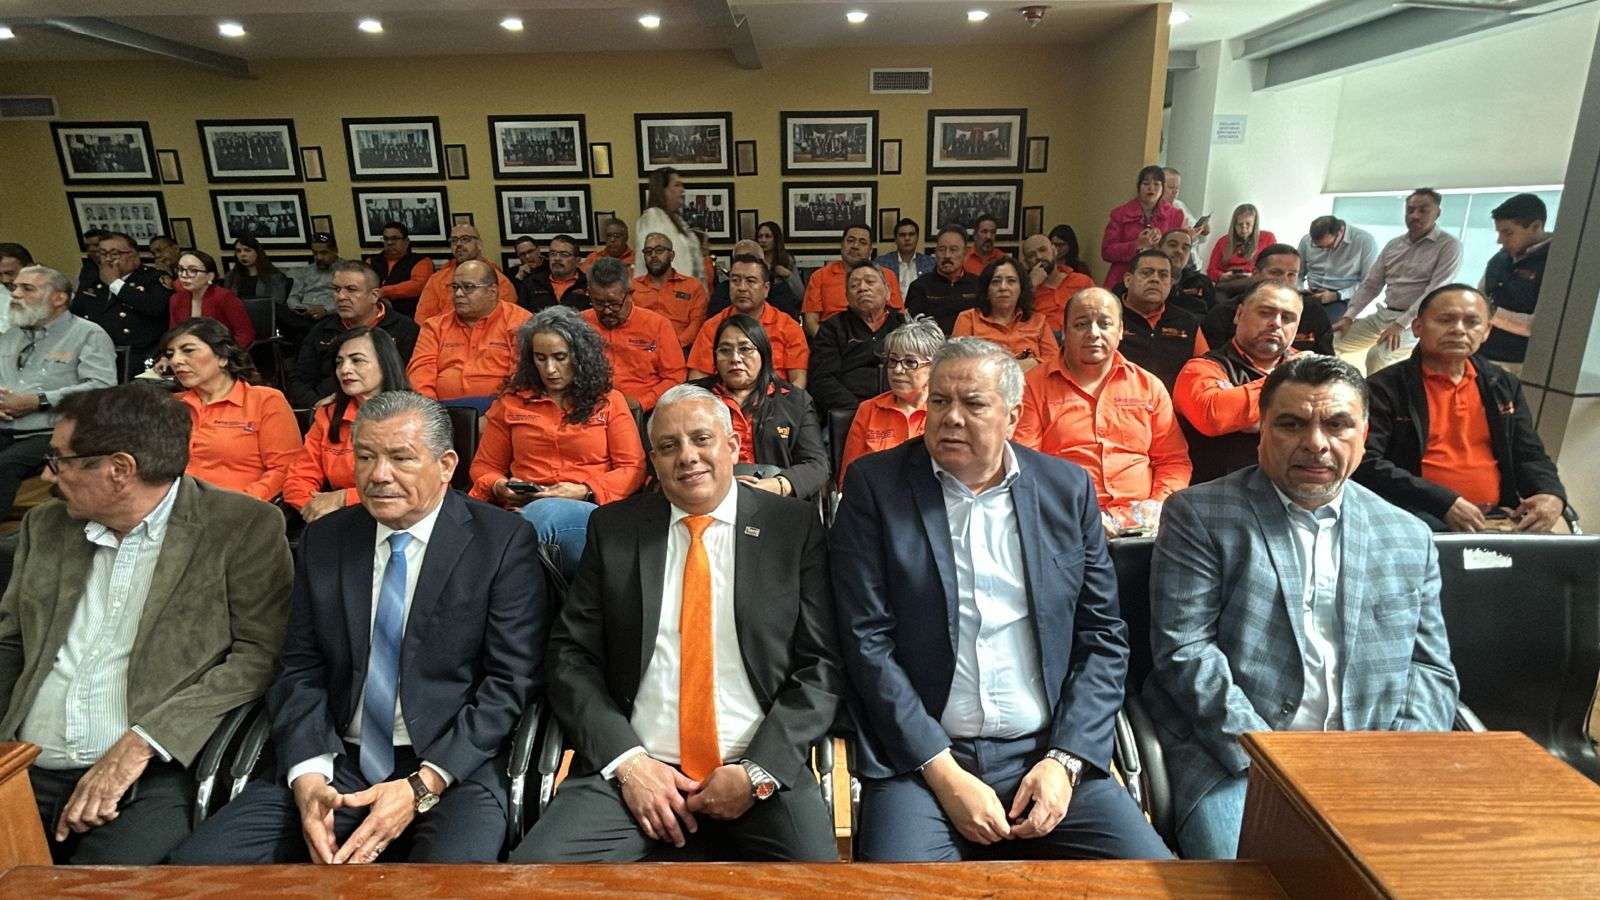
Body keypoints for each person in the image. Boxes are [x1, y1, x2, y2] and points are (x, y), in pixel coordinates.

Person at [831, 337, 1170, 863]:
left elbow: (1103, 638)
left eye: (973, 403)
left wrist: (1065, 760)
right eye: (939, 401)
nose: (951, 418)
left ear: (1012, 416)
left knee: (1158, 884)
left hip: (1047, 753)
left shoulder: (1066, 490)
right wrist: (942, 772)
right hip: (921, 761)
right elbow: (865, 643)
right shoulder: (876, 487)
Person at [170, 391, 545, 865]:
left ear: (446, 465)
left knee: (449, 886)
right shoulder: (327, 539)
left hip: (454, 764)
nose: (378, 474)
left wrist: (423, 784)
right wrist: (308, 774)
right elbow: (300, 668)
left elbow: (510, 682)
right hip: (337, 760)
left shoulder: (501, 542)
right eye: (365, 457)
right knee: (197, 871)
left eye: (401, 458)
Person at [510, 383, 842, 863]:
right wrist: (629, 764)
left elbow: (822, 665)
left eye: (701, 439)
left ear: (732, 446)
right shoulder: (615, 529)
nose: (687, 456)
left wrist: (757, 771)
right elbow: (570, 657)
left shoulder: (792, 528)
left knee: (821, 888)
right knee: (528, 881)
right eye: (668, 446)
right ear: (654, 460)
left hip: (757, 769)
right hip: (636, 772)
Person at [1144, 354, 1458, 859]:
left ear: (1364, 434)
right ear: (1262, 431)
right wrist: (1270, 756)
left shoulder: (1408, 534)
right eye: (1292, 424)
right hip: (1237, 756)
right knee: (1252, 881)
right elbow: (1185, 652)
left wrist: (1396, 758)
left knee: (1427, 874)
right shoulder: (1201, 515)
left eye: (1337, 425)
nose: (1315, 442)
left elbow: (1430, 669)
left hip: (1373, 757)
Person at [1, 383, 291, 864]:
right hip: (23, 761)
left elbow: (261, 656)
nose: (49, 476)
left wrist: (144, 742)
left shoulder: (239, 527)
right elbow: (10, 644)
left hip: (153, 774)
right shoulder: (46, 526)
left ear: (119, 469)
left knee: (101, 890)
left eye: (60, 460)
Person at [1355, 285, 1565, 533]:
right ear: (1417, 327)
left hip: (1497, 516)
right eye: (1445, 320)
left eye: (1472, 322)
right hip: (1415, 516)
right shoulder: (1384, 388)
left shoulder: (1502, 384)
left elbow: (1529, 453)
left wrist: (1550, 493)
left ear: (1486, 331)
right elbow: (1365, 462)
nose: (1459, 330)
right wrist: (1442, 502)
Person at [469, 306, 647, 579]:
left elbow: (632, 469)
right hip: (523, 505)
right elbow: (484, 467)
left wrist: (585, 490)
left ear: (580, 356)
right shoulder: (511, 402)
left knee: (533, 522)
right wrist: (499, 486)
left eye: (560, 357)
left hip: (591, 509)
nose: (550, 369)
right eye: (540, 358)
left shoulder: (609, 401)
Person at [1015, 288, 1189, 536]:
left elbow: (1173, 461)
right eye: (1081, 324)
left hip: (1141, 526)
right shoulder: (1032, 385)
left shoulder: (1149, 386)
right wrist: (1073, 517)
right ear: (1064, 331)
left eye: (1105, 324)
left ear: (1120, 331)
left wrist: (1158, 505)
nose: (1093, 333)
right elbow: (1024, 464)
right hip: (1063, 524)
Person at [0, 265, 117, 515]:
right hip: (6, 425)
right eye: (14, 287)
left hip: (54, 431)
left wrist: (38, 401)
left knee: (5, 465)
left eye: (27, 288)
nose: (15, 294)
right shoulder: (11, 335)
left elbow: (102, 388)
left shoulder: (88, 334)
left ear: (59, 298)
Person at [1175, 281, 1303, 484]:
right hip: (1217, 491)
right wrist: (1287, 379)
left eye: (1287, 318)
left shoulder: (1310, 367)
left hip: (1290, 487)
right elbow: (1213, 417)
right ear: (1239, 314)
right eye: (1265, 313)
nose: (1276, 323)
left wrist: (1245, 413)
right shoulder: (1200, 368)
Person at [691, 315, 827, 502]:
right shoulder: (692, 399)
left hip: (773, 499)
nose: (735, 359)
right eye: (725, 350)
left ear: (764, 355)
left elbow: (817, 464)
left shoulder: (794, 401)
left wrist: (778, 485)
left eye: (745, 349)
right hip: (705, 498)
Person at [163, 318, 301, 501]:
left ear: (222, 356)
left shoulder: (265, 400)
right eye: (170, 354)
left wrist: (238, 504)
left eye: (188, 350)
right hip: (174, 506)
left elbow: (284, 469)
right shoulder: (169, 405)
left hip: (240, 507)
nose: (176, 361)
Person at [282, 327, 409, 520]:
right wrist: (314, 508)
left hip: (400, 520)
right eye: (339, 362)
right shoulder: (328, 415)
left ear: (385, 364)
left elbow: (420, 485)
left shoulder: (415, 415)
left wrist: (344, 498)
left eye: (356, 360)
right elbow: (298, 479)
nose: (344, 370)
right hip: (335, 520)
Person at [1333, 188, 1463, 374]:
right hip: (1384, 315)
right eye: (1410, 210)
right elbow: (1371, 285)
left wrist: (1400, 324)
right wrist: (1349, 316)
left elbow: (1434, 293)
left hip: (1417, 321)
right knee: (1332, 341)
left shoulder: (1449, 246)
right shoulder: (1394, 244)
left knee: (1377, 356)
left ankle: (1377, 394)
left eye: (1423, 210)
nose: (1415, 215)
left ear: (1438, 213)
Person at [288, 260, 420, 408]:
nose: (341, 296)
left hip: (387, 409)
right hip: (328, 409)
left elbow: (411, 381)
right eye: (336, 289)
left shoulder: (405, 329)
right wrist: (316, 404)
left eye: (351, 290)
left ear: (374, 295)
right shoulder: (321, 330)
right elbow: (298, 380)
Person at [407, 258, 532, 405]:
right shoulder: (434, 327)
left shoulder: (520, 322)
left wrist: (496, 414)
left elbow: (522, 379)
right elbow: (419, 377)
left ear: (492, 291)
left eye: (468, 287)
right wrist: (432, 413)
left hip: (502, 409)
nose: (458, 293)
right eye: (455, 287)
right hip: (442, 410)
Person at [837, 316, 943, 485]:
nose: (898, 370)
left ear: (934, 367)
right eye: (893, 361)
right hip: (877, 497)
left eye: (910, 362)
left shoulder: (945, 412)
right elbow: (850, 477)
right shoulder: (869, 410)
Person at [580, 257, 686, 413]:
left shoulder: (658, 325)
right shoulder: (579, 324)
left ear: (630, 294)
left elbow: (675, 377)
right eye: (599, 303)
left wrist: (642, 403)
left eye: (614, 303)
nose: (607, 311)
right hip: (590, 408)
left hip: (645, 410)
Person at [687, 255, 809, 388]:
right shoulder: (712, 326)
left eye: (750, 281)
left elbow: (798, 380)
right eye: (735, 281)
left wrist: (783, 401)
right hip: (722, 398)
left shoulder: (788, 327)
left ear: (766, 289)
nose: (742, 288)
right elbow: (697, 380)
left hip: (775, 398)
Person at [807, 261, 906, 414]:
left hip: (900, 409)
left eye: (870, 282)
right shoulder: (833, 328)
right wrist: (859, 410)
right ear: (847, 296)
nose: (862, 288)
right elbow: (821, 379)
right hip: (849, 412)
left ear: (887, 291)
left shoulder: (904, 326)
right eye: (854, 285)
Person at [1201, 244, 1333, 356]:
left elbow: (1327, 361)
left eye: (1291, 275)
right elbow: (1212, 361)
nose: (1284, 280)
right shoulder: (1223, 314)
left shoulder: (1313, 312)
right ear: (1256, 274)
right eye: (1276, 273)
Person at [70, 231, 172, 375]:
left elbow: (156, 307)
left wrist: (115, 283)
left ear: (134, 254)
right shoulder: (93, 281)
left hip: (140, 357)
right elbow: (76, 314)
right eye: (103, 254)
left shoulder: (153, 278)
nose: (108, 259)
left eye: (115, 254)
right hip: (100, 357)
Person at [1480, 193, 1553, 375]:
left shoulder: (1556, 263)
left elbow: (1540, 326)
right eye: (1499, 232)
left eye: (1508, 232)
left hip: (1517, 364)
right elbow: (1479, 296)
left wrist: (1490, 312)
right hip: (1480, 353)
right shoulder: (1499, 258)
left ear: (1536, 226)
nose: (1500, 240)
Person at [1116, 248, 1204, 391]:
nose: (1155, 279)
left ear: (1171, 283)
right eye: (1146, 273)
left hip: (1171, 402)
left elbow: (1205, 369)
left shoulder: (1188, 322)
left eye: (1163, 275)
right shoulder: (1109, 317)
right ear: (1128, 280)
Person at [952, 258, 1058, 372]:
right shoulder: (968, 319)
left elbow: (1055, 361)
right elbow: (956, 363)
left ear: (1021, 289)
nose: (1003, 287)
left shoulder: (1038, 321)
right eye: (996, 282)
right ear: (986, 291)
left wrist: (1033, 363)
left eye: (1011, 281)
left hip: (1031, 381)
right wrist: (1018, 365)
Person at [801, 224, 902, 336]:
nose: (855, 246)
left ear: (870, 250)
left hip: (880, 340)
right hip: (833, 339)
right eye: (850, 241)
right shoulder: (820, 276)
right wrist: (829, 342)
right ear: (841, 245)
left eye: (862, 242)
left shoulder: (887, 275)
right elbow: (810, 323)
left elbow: (898, 319)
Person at [1101, 165, 1185, 288]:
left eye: (1156, 184)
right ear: (1138, 187)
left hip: (1158, 280)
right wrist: (1137, 245)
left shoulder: (1175, 215)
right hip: (1123, 280)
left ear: (1163, 188)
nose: (1151, 188)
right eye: (1146, 184)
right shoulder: (1120, 214)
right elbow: (1107, 252)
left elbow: (1175, 254)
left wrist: (1162, 244)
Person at [414, 224, 517, 324]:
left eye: (465, 239)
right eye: (454, 240)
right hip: (443, 334)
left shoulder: (499, 281)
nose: (458, 244)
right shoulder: (437, 280)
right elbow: (423, 320)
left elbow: (506, 320)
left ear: (479, 244)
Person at [631, 231, 709, 350]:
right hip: (641, 351)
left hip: (681, 350)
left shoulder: (693, 286)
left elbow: (697, 323)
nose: (653, 255)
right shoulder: (632, 287)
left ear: (671, 255)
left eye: (659, 250)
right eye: (648, 251)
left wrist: (672, 347)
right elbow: (627, 323)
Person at [1297, 214, 1377, 324]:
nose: (1324, 250)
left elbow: (1368, 284)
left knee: (1321, 324)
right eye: (1319, 247)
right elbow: (1297, 273)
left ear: (1341, 231)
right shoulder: (1306, 240)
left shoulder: (1365, 241)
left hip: (1341, 297)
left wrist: (1337, 295)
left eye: (1329, 246)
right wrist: (1300, 290)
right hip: (1310, 293)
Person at [167, 250, 254, 346]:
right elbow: (174, 335)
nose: (184, 275)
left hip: (224, 351)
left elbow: (245, 334)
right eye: (181, 269)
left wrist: (225, 352)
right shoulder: (176, 299)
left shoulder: (224, 297)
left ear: (210, 276)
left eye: (193, 271)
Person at [635, 167, 706, 283]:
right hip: (668, 290)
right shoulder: (652, 218)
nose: (682, 190)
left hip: (689, 288)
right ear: (662, 191)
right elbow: (658, 262)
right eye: (677, 185)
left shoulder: (677, 220)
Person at [907, 225, 981, 335]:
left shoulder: (978, 285)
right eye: (942, 249)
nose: (947, 255)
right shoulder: (919, 287)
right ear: (935, 252)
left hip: (970, 343)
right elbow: (912, 330)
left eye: (953, 250)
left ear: (965, 253)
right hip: (932, 344)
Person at [1022, 234, 1093, 337]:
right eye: (1031, 255)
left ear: (1054, 251)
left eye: (1042, 250)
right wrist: (1031, 286)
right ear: (1026, 263)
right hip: (1042, 339)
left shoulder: (1082, 281)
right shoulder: (1024, 290)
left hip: (1079, 337)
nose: (1039, 257)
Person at [365, 220, 436, 318]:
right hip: (374, 315)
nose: (389, 242)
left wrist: (384, 292)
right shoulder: (371, 261)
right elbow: (363, 286)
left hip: (411, 316)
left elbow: (419, 285)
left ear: (406, 241)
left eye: (395, 238)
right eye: (386, 239)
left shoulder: (421, 261)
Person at [1205, 204, 1275, 295]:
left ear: (1254, 224)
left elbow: (1273, 266)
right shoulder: (1223, 241)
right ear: (1234, 225)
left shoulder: (1267, 238)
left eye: (1248, 224)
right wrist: (1222, 276)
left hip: (1255, 284)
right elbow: (1211, 270)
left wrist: (1255, 275)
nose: (1244, 228)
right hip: (1229, 284)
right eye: (1240, 224)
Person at [518, 234, 591, 313]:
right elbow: (521, 316)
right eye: (553, 254)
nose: (557, 258)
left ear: (577, 261)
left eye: (564, 254)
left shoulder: (589, 284)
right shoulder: (532, 283)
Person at [1151, 228, 1216, 316]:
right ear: (1159, 249)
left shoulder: (1202, 281)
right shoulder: (1145, 279)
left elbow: (1214, 316)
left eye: (1185, 248)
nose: (1179, 251)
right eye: (1173, 245)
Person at [283, 233, 341, 331]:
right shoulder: (305, 271)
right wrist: (301, 308)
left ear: (335, 251)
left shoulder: (346, 270)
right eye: (315, 253)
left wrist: (326, 309)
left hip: (329, 315)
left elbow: (351, 299)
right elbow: (293, 296)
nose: (319, 257)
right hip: (304, 315)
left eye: (324, 253)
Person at [875, 217, 935, 301]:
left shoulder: (931, 263)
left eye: (911, 234)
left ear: (917, 238)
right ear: (895, 239)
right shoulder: (882, 263)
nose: (907, 238)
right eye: (902, 235)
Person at [222, 236, 290, 306]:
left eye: (247, 250)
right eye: (238, 251)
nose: (242, 254)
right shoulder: (231, 277)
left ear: (257, 253)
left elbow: (278, 302)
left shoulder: (274, 277)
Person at [755, 220, 806, 302]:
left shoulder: (786, 259)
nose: (763, 240)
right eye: (760, 236)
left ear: (776, 239)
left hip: (782, 305)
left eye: (768, 236)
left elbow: (801, 295)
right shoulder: (753, 260)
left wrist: (788, 275)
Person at [75, 228, 109, 292]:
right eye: (87, 246)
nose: (91, 249)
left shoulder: (121, 265)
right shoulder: (88, 266)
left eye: (96, 245)